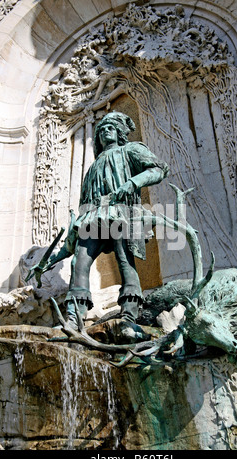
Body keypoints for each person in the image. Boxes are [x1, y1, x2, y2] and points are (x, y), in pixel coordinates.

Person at [31, 111, 169, 331]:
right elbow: (75, 228)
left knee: (125, 260)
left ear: (120, 132)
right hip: (93, 216)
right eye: (101, 129)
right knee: (79, 261)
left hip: (121, 212)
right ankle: (75, 318)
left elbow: (159, 169)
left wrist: (132, 183)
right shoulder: (93, 168)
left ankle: (129, 316)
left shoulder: (130, 150)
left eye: (110, 128)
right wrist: (48, 263)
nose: (105, 131)